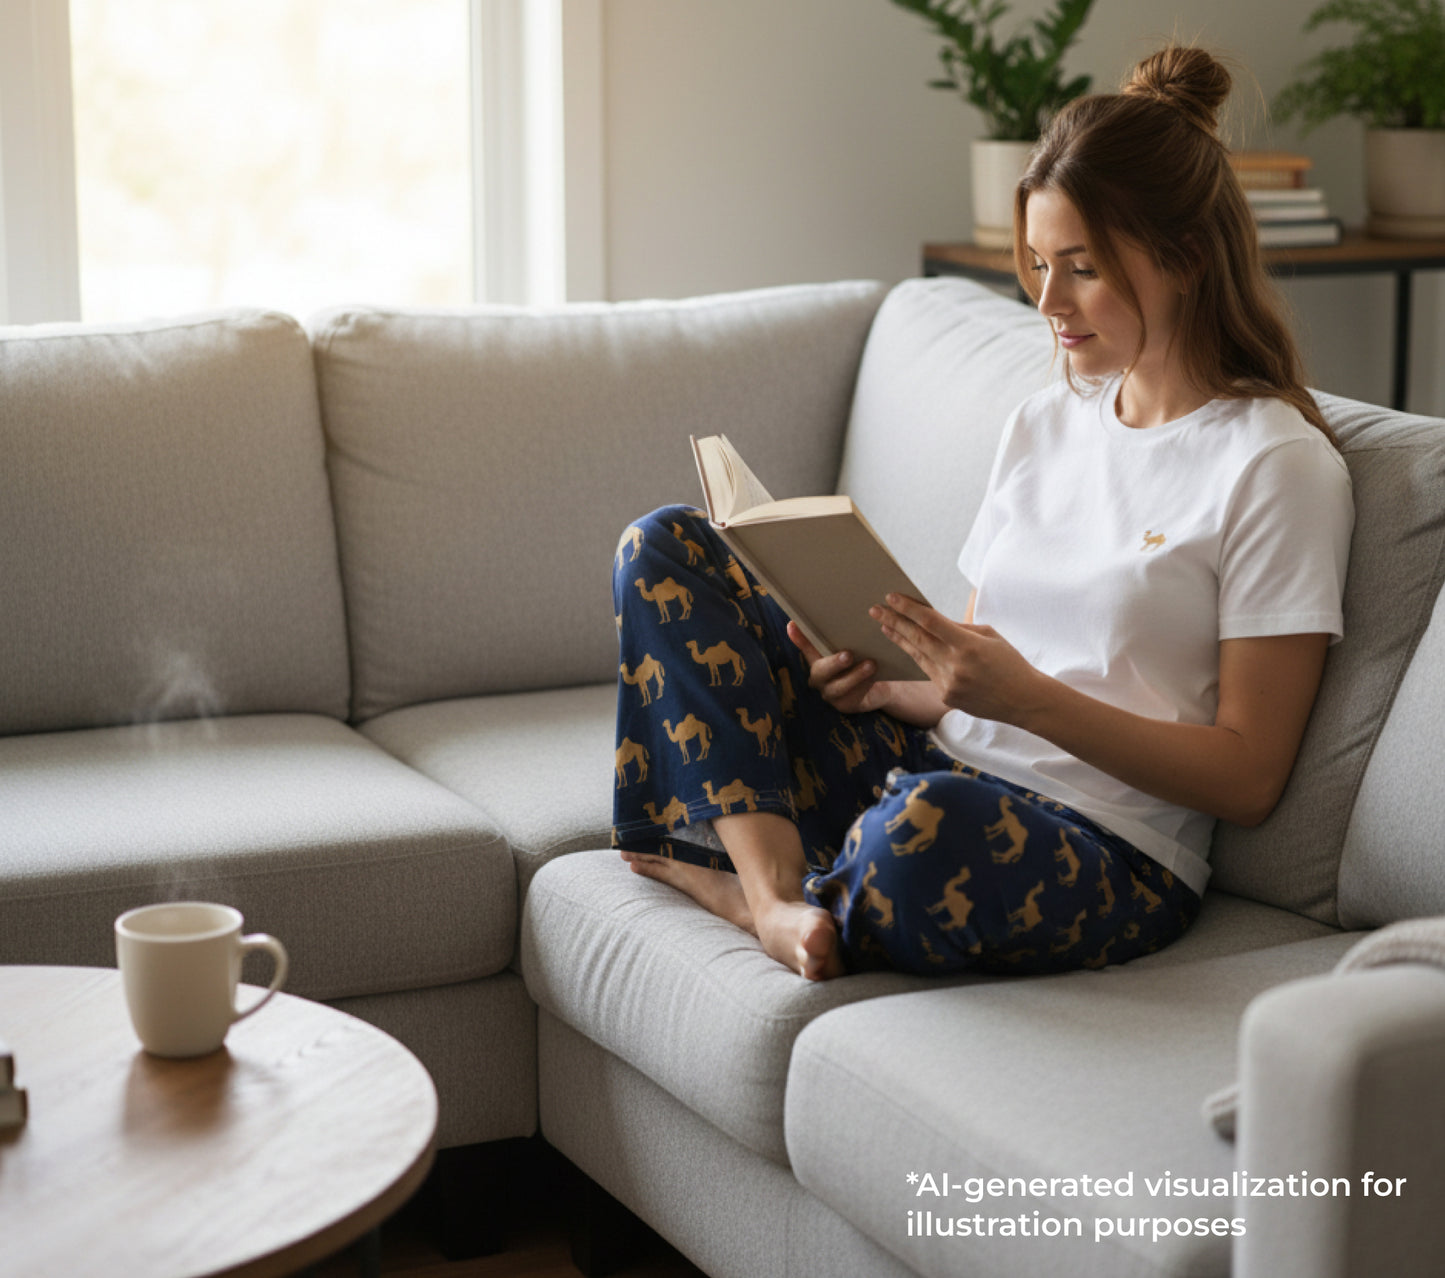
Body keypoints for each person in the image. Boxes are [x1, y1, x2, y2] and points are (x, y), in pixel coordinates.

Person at [609, 45, 1354, 982]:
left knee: (919, 836)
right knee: (668, 543)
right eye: (1039, 265)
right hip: (930, 766)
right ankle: (769, 899)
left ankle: (745, 880)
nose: (1046, 302)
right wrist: (889, 685)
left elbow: (1248, 778)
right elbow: (970, 681)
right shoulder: (1046, 421)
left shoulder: (1276, 464)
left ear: (1185, 259)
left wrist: (1027, 700)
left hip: (1100, 846)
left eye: (1079, 268)